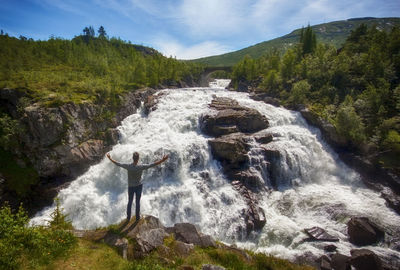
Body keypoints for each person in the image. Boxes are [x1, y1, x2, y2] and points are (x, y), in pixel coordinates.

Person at [106, 151, 169, 221]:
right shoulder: (141, 167)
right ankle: (137, 218)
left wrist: (110, 158)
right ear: (138, 158)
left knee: (130, 202)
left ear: (132, 158)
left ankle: (128, 217)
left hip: (131, 187)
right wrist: (163, 160)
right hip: (139, 186)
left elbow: (118, 164)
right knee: (137, 202)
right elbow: (153, 164)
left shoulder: (128, 166)